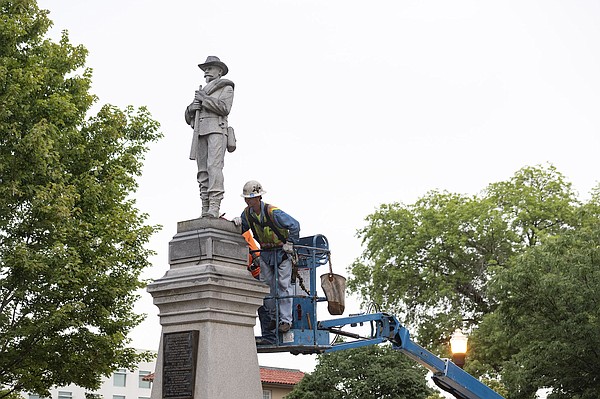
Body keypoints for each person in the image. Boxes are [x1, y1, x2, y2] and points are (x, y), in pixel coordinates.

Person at [233, 180, 300, 345]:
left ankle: (285, 320)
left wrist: (290, 243)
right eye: (247, 199)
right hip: (266, 253)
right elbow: (242, 230)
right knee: (265, 287)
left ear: (259, 197)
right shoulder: (247, 214)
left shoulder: (273, 212)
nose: (249, 201)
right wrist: (234, 224)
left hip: (281, 252)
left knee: (283, 285)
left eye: (252, 198)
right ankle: (272, 318)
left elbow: (295, 225)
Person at [184, 56, 234, 218]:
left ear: (219, 71)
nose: (206, 71)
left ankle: (214, 206)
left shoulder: (226, 88)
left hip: (217, 130)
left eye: (210, 67)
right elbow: (188, 116)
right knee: (202, 170)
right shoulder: (202, 91)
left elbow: (224, 108)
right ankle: (205, 207)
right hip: (199, 131)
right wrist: (191, 108)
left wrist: (204, 100)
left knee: (214, 167)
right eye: (205, 68)